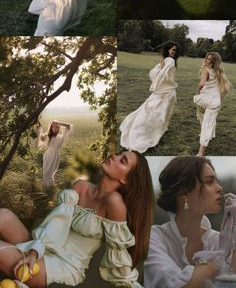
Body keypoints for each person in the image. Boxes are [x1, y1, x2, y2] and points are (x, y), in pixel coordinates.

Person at [0, 151, 154, 288]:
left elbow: (117, 255)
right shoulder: (81, 186)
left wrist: (128, 284)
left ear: (126, 179)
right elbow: (57, 222)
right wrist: (35, 250)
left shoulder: (114, 203)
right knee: (4, 215)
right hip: (44, 247)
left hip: (63, 266)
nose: (115, 156)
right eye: (119, 154)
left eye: (123, 160)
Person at [144, 156, 236, 288]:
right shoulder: (154, 238)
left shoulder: (218, 242)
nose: (219, 188)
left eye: (217, 181)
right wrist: (208, 267)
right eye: (209, 182)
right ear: (184, 193)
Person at [119, 41, 180, 153]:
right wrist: (160, 71)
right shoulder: (168, 60)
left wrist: (160, 72)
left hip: (166, 92)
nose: (173, 51)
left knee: (158, 112)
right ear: (167, 49)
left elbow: (161, 75)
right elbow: (156, 74)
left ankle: (155, 130)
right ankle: (145, 132)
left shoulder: (170, 61)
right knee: (156, 112)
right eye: (171, 49)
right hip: (164, 92)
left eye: (175, 50)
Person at [193, 52, 231, 156]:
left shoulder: (206, 70)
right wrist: (220, 99)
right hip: (214, 102)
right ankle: (210, 134)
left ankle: (200, 153)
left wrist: (197, 92)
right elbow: (226, 89)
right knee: (204, 116)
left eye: (209, 60)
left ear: (214, 62)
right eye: (206, 58)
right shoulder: (218, 71)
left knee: (206, 123)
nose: (206, 60)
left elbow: (201, 84)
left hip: (206, 100)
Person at [37, 120, 71, 187]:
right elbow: (42, 138)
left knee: (50, 173)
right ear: (51, 128)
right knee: (46, 172)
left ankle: (49, 187)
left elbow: (68, 126)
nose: (55, 128)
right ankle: (48, 187)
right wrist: (42, 132)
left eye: (56, 127)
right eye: (53, 127)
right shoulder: (48, 135)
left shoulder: (61, 136)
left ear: (59, 128)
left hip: (55, 156)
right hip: (47, 155)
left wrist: (57, 122)